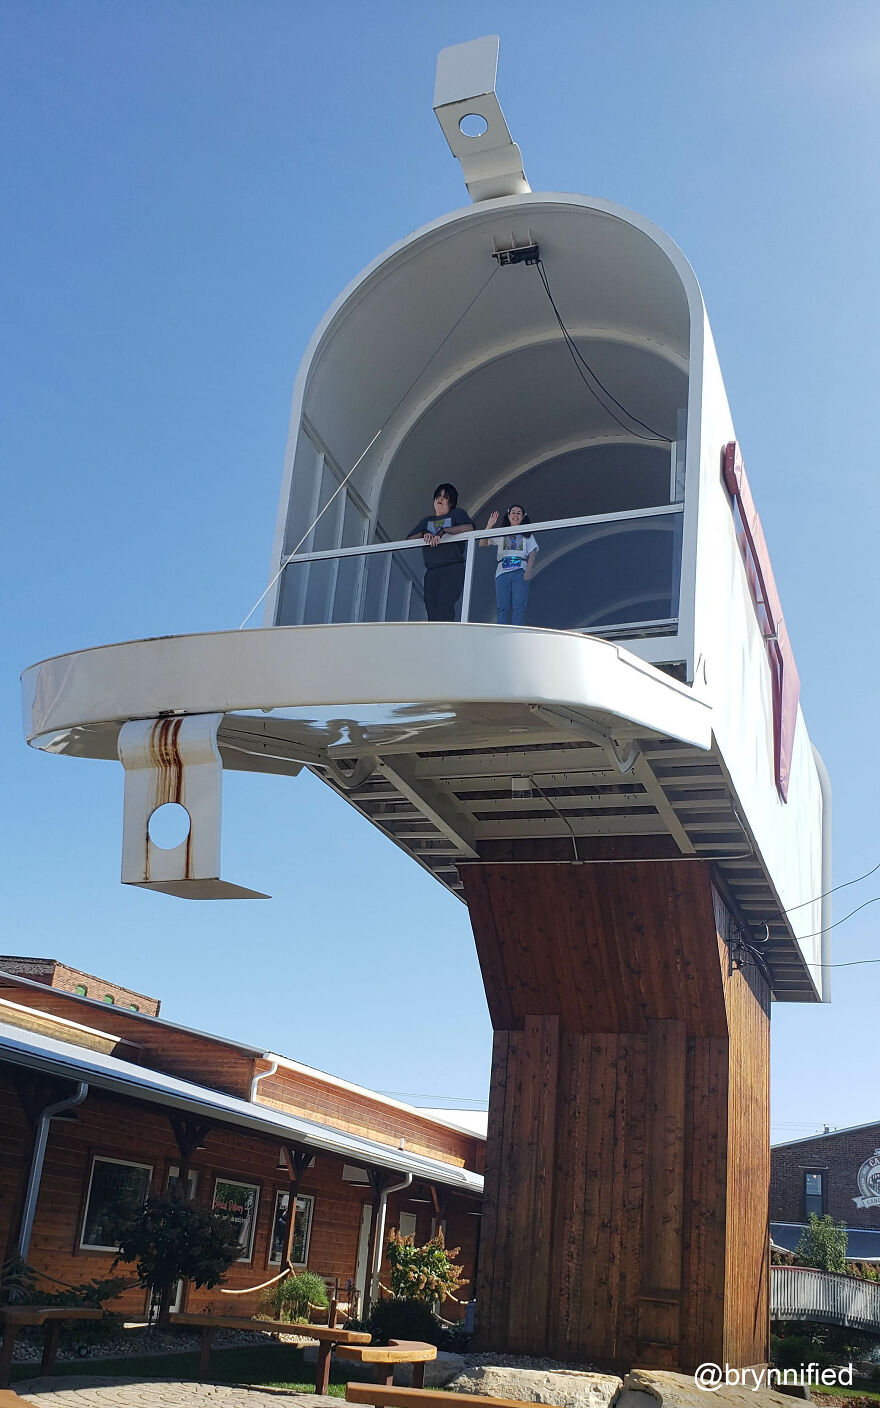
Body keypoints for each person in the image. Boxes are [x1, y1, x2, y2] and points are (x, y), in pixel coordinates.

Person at [408, 483, 474, 621]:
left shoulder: (456, 514)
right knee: (431, 606)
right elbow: (409, 539)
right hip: (432, 569)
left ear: (451, 502)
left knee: (445, 604)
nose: (440, 499)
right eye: (438, 496)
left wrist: (444, 531)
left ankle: (445, 635)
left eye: (445, 497)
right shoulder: (427, 521)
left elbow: (469, 528)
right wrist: (424, 533)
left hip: (452, 566)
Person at [482, 504, 539, 626]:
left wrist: (529, 570)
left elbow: (532, 552)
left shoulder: (527, 535)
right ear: (508, 516)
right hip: (502, 571)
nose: (516, 515)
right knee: (502, 606)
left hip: (520, 570)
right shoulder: (502, 532)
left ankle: (516, 629)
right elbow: (482, 543)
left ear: (523, 517)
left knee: (519, 605)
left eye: (519, 513)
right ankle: (502, 629)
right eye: (513, 512)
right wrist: (490, 525)